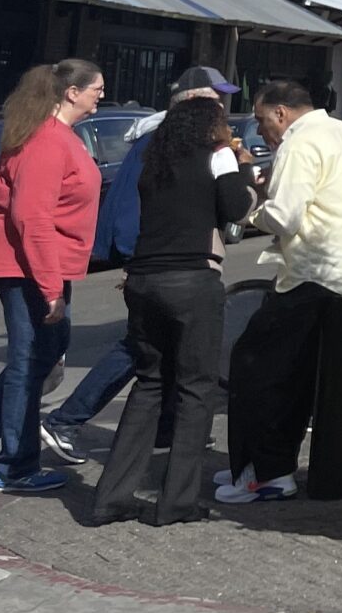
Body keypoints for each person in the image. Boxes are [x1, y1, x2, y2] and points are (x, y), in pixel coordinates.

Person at [42, 67, 238, 464]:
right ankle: (66, 418)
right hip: (155, 261)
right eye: (213, 98)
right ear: (189, 101)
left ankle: (168, 429)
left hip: (166, 260)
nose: (222, 106)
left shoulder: (187, 140)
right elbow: (135, 204)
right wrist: (135, 258)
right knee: (138, 348)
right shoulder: (161, 141)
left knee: (169, 350)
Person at [216, 81, 342, 504]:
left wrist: (248, 209)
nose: (261, 132)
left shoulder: (301, 142)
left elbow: (286, 215)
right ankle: (286, 468)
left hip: (314, 272)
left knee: (258, 367)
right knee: (323, 378)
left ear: (281, 113)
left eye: (261, 120)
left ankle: (266, 471)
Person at [0, 60, 106, 493]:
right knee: (30, 360)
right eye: (96, 88)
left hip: (40, 263)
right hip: (29, 265)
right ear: (71, 92)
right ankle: (14, 464)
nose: (100, 96)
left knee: (42, 355)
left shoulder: (57, 137)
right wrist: (51, 288)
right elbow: (31, 216)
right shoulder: (47, 141)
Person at [90, 96, 257, 525]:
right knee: (195, 389)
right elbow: (236, 209)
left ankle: (110, 497)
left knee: (148, 385)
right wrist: (243, 166)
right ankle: (176, 502)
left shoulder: (155, 161)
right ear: (213, 127)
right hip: (191, 281)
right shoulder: (217, 154)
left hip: (144, 280)